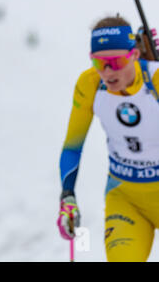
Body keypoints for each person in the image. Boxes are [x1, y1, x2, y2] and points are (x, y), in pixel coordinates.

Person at [57, 15, 159, 262]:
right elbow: (72, 147)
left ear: (135, 55)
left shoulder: (154, 79)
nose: (108, 71)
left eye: (117, 61)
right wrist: (67, 196)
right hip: (126, 199)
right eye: (99, 62)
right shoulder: (90, 84)